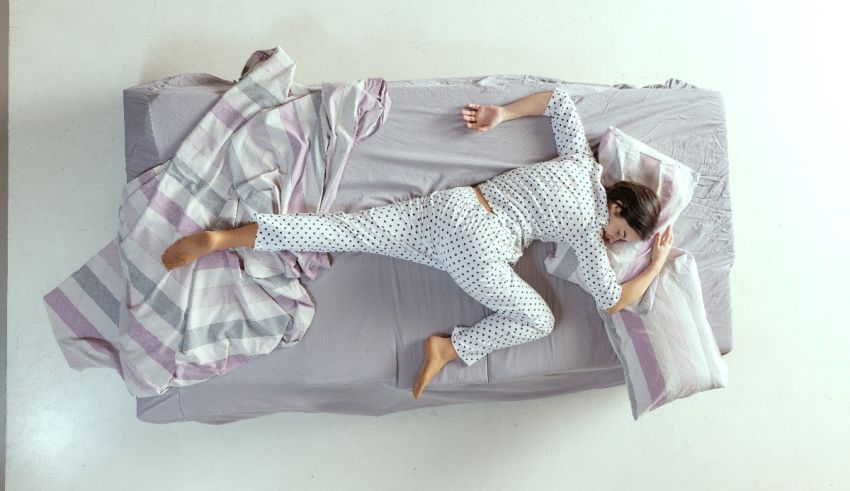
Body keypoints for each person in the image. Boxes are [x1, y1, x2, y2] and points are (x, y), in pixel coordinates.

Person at [161, 87, 674, 400]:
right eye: (622, 232)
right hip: (482, 248)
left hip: (456, 207)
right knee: (539, 319)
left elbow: (556, 101)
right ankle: (450, 347)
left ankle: (227, 237)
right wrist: (655, 262)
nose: (614, 241)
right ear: (616, 207)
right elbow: (612, 302)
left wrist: (502, 114)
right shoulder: (589, 231)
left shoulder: (579, 164)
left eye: (621, 242)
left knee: (346, 229)